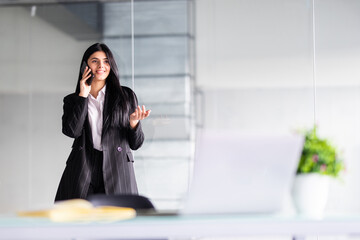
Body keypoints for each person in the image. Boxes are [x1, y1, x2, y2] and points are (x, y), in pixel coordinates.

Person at [55, 43, 150, 201]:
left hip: (117, 167)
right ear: (85, 65)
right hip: (84, 165)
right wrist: (82, 97)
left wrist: (134, 123)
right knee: (80, 218)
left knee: (117, 219)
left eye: (106, 61)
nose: (101, 66)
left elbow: (136, 144)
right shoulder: (73, 100)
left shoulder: (125, 96)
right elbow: (72, 131)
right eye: (95, 61)